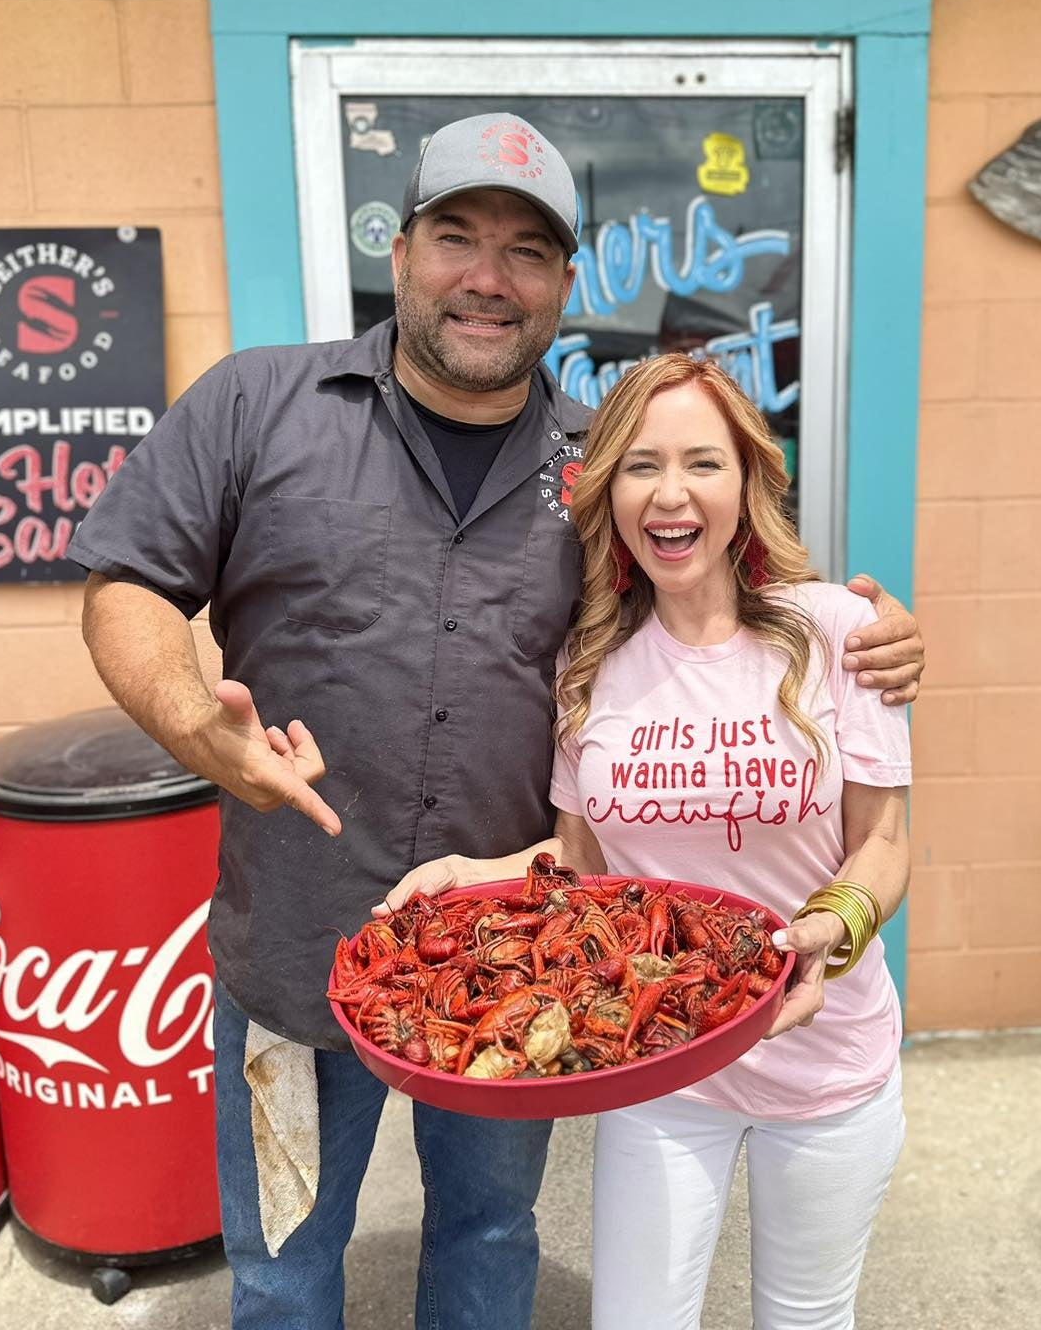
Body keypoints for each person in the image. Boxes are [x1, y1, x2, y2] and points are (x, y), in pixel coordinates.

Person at [69, 112, 923, 1330]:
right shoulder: (259, 404)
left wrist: (868, 633)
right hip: (298, 941)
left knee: (487, 1234)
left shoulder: (600, 471)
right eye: (457, 236)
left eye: (527, 251)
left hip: (513, 962)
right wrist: (189, 719)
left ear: (565, 284)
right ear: (403, 249)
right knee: (280, 1265)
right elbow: (130, 586)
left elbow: (723, 614)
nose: (488, 275)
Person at [380, 352, 911, 1330]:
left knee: (805, 1319)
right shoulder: (593, 667)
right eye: (640, 464)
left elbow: (883, 848)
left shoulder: (839, 632)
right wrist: (471, 873)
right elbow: (584, 870)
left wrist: (830, 929)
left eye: (703, 462)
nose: (672, 493)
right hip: (666, 1068)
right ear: (607, 493)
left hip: (829, 1060)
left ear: (749, 483)